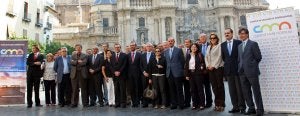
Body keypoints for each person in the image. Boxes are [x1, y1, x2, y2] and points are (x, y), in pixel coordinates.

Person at [237, 28, 264, 116]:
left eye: (243, 33)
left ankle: (260, 110)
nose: (241, 35)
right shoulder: (239, 46)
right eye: (240, 34)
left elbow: (258, 57)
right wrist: (240, 67)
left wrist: (252, 66)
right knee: (246, 91)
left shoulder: (253, 44)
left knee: (256, 91)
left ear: (247, 34)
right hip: (242, 72)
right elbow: (239, 59)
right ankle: (251, 108)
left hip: (252, 72)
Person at [221, 28, 246, 114]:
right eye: (225, 33)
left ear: (232, 33)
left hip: (238, 70)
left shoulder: (238, 42)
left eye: (228, 33)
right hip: (228, 70)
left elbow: (241, 56)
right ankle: (235, 106)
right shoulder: (223, 45)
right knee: (232, 90)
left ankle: (242, 107)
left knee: (240, 90)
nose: (226, 34)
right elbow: (224, 58)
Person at [205, 33, 225, 112]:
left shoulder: (220, 46)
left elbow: (219, 56)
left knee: (220, 86)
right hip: (210, 69)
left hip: (218, 68)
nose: (212, 39)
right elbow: (206, 57)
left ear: (217, 39)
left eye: (214, 38)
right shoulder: (209, 47)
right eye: (211, 38)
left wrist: (213, 66)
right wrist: (208, 65)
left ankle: (222, 104)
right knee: (214, 87)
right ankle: (217, 104)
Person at [164, 37, 185, 110]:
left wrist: (181, 71)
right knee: (172, 89)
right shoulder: (166, 51)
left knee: (179, 89)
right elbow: (166, 62)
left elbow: (182, 62)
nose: (170, 42)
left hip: (177, 73)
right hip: (169, 73)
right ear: (168, 42)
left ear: (174, 42)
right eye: (169, 41)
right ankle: (174, 104)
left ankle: (181, 104)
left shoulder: (179, 50)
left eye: (171, 41)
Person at [184, 43, 206, 110]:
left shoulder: (200, 54)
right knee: (193, 90)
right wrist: (186, 75)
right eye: (192, 47)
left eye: (195, 47)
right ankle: (194, 104)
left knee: (200, 89)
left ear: (197, 48)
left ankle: (202, 104)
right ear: (190, 48)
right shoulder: (188, 55)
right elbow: (186, 66)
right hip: (191, 74)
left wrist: (201, 67)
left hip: (198, 74)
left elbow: (203, 63)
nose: (194, 48)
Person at [198, 33, 213, 108]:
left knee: (208, 87)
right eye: (201, 37)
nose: (202, 38)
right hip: (200, 71)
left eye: (204, 37)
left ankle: (209, 102)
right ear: (199, 39)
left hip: (210, 69)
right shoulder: (198, 47)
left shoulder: (210, 45)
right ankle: (202, 102)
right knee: (200, 87)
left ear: (206, 38)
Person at [111, 43, 127, 108]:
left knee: (122, 89)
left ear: (120, 48)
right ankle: (117, 103)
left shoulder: (124, 55)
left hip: (122, 75)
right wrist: (114, 72)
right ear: (114, 48)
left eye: (118, 47)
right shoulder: (112, 56)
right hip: (115, 75)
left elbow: (124, 64)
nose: (117, 48)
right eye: (116, 47)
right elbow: (111, 66)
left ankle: (123, 103)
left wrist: (119, 71)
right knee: (116, 89)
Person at [127, 41, 142, 107]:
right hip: (130, 75)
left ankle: (138, 101)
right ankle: (133, 102)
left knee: (138, 88)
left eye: (133, 45)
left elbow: (141, 65)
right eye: (131, 45)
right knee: (132, 88)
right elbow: (126, 65)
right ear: (130, 47)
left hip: (137, 74)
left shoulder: (139, 54)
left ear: (135, 46)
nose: (132, 46)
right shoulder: (127, 55)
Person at [140, 43, 155, 108]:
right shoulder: (142, 55)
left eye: (149, 46)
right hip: (144, 75)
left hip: (152, 75)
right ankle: (145, 102)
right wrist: (144, 72)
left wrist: (150, 73)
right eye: (147, 46)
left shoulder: (154, 54)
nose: (148, 47)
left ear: (151, 47)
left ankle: (152, 102)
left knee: (152, 88)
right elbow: (140, 65)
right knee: (144, 88)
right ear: (145, 48)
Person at [182, 38, 192, 108]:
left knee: (194, 88)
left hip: (192, 72)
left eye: (188, 42)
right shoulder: (182, 50)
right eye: (185, 42)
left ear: (190, 43)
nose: (186, 43)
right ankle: (187, 102)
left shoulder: (194, 49)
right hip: (185, 72)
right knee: (186, 88)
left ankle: (196, 102)